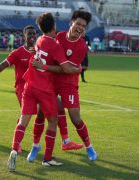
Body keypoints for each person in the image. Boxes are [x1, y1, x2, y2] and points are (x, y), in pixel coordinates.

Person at [6, 12, 81, 171]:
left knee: (23, 121)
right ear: (54, 27)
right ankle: (47, 159)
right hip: (44, 88)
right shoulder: (55, 45)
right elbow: (66, 68)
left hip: (29, 86)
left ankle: (14, 149)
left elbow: (37, 53)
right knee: (53, 121)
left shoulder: (39, 40)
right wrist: (78, 68)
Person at [0, 25, 82, 155]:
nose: (32, 36)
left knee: (59, 106)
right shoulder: (18, 53)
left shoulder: (39, 49)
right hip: (23, 87)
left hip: (40, 85)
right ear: (24, 36)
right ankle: (17, 145)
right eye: (29, 34)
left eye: (34, 34)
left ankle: (65, 141)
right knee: (25, 116)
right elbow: (5, 63)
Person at [31, 10, 97, 162]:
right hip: (51, 82)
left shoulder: (81, 47)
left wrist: (45, 67)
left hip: (69, 83)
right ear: (71, 23)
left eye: (83, 26)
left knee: (75, 118)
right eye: (78, 24)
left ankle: (89, 146)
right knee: (41, 113)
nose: (80, 28)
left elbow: (66, 70)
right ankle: (35, 146)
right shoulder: (58, 37)